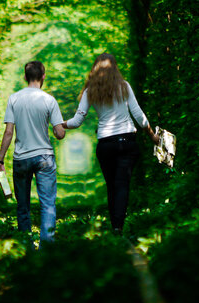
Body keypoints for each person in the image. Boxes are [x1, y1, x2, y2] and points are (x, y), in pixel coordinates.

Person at [63, 53, 159, 234]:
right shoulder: (124, 87)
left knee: (112, 185)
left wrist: (60, 125)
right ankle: (118, 227)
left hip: (106, 144)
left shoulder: (90, 91)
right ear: (115, 68)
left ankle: (115, 224)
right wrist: (152, 135)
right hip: (127, 142)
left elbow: (77, 121)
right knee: (123, 184)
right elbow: (138, 115)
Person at [0, 61, 66, 244]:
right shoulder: (49, 100)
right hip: (44, 158)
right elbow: (59, 134)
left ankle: (25, 244)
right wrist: (58, 126)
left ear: (25, 77)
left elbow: (9, 132)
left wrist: (0, 159)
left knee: (23, 205)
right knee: (48, 204)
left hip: (21, 159)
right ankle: (47, 247)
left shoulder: (14, 99)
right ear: (43, 76)